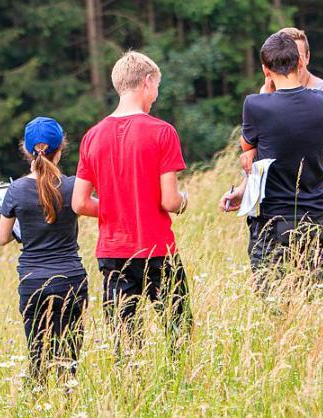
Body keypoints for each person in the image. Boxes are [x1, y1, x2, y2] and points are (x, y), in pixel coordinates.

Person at [72, 51, 191, 351]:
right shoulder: (163, 132)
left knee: (124, 341)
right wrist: (183, 201)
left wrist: (115, 205)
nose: (156, 95)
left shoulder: (92, 137)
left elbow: (79, 203)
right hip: (156, 249)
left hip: (113, 252)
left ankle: (130, 395)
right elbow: (169, 200)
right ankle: (178, 386)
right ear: (147, 82)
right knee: (179, 332)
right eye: (157, 88)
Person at [221, 33, 323, 296]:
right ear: (300, 63)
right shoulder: (321, 101)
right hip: (317, 218)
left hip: (274, 222)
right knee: (313, 300)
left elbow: (247, 146)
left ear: (265, 69)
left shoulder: (256, 104)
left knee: (275, 304)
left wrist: (265, 92)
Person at [0, 116, 90, 380]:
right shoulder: (72, 186)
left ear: (26, 151)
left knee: (38, 359)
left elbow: (2, 238)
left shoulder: (15, 190)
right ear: (60, 148)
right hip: (71, 278)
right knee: (69, 361)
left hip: (33, 280)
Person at [241, 27, 323, 201]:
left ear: (306, 58)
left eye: (296, 56)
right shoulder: (266, 92)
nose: (289, 62)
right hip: (273, 193)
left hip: (314, 193)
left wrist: (310, 173)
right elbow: (255, 145)